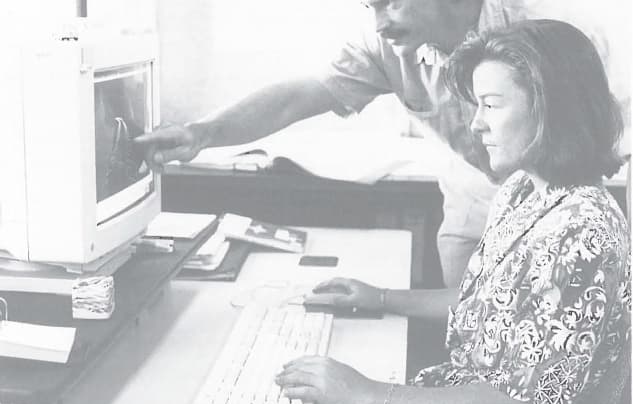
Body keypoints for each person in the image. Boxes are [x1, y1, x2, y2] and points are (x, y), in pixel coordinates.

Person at [274, 19, 630, 404]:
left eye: (492, 105)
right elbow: (480, 300)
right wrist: (382, 298)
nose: (476, 123)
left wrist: (370, 395)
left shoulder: (581, 235)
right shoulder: (525, 188)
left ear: (550, 107)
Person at [134, 0, 628, 289]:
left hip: (559, 214)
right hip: (475, 208)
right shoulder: (391, 47)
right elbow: (300, 96)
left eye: (391, 1)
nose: (378, 23)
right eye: (369, 5)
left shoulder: (549, 32)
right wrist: (204, 134)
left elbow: (597, 138)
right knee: (475, 350)